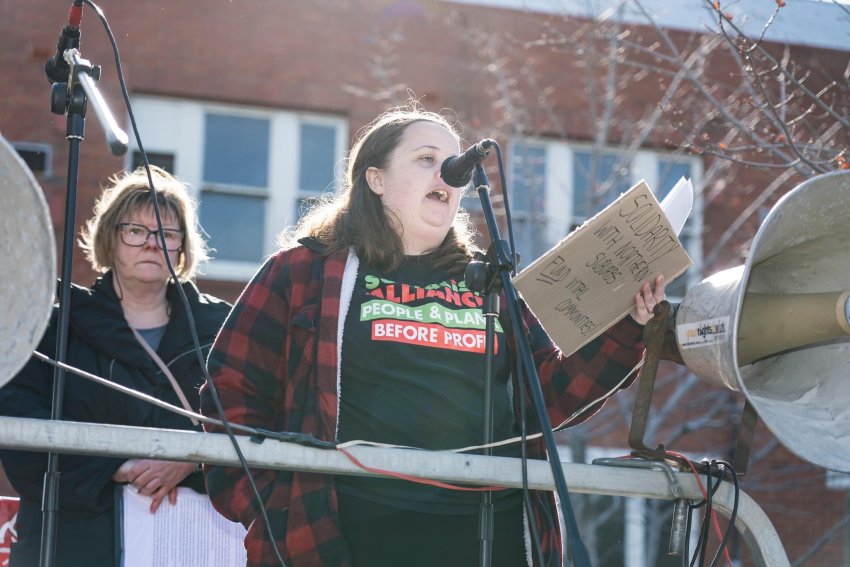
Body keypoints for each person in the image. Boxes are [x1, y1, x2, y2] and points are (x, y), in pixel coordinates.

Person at [200, 103, 665, 567]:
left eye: (452, 164)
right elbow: (232, 392)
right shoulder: (304, 271)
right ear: (375, 179)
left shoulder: (488, 283)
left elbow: (550, 396)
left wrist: (628, 327)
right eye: (426, 159)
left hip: (489, 533)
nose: (447, 172)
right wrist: (274, 504)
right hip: (347, 535)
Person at [0, 166, 231, 567]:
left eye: (167, 233)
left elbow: (255, 418)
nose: (152, 244)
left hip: (190, 545)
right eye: (136, 231)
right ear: (110, 237)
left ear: (182, 247)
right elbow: (18, 423)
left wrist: (193, 457)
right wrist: (117, 465)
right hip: (75, 544)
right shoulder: (55, 329)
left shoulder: (223, 330)